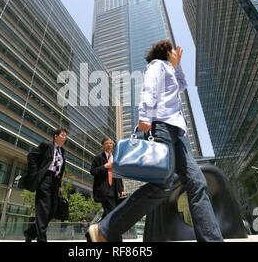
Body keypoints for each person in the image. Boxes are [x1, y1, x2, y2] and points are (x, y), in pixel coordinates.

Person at [86, 39, 223, 242]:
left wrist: (176, 66)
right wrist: (145, 116)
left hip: (178, 133)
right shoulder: (157, 65)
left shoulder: (170, 68)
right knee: (163, 184)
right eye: (172, 51)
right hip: (162, 126)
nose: (177, 53)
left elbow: (182, 85)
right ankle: (104, 230)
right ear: (165, 52)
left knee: (197, 182)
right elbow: (149, 88)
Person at [22, 128, 68, 242]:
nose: (65, 137)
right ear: (55, 136)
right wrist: (35, 173)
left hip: (55, 182)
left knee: (52, 212)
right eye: (62, 135)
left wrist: (60, 185)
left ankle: (30, 232)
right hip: (45, 179)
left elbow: (60, 169)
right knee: (43, 210)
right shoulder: (46, 146)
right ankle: (42, 238)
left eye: (65, 136)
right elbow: (31, 156)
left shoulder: (63, 151)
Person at [90, 137, 125, 221]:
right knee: (112, 211)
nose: (109, 145)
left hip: (115, 189)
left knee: (108, 213)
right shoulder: (98, 158)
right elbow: (93, 171)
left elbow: (118, 175)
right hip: (104, 189)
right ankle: (112, 232)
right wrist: (105, 166)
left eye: (111, 143)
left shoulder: (116, 158)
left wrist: (121, 189)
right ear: (102, 146)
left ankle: (97, 229)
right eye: (106, 143)